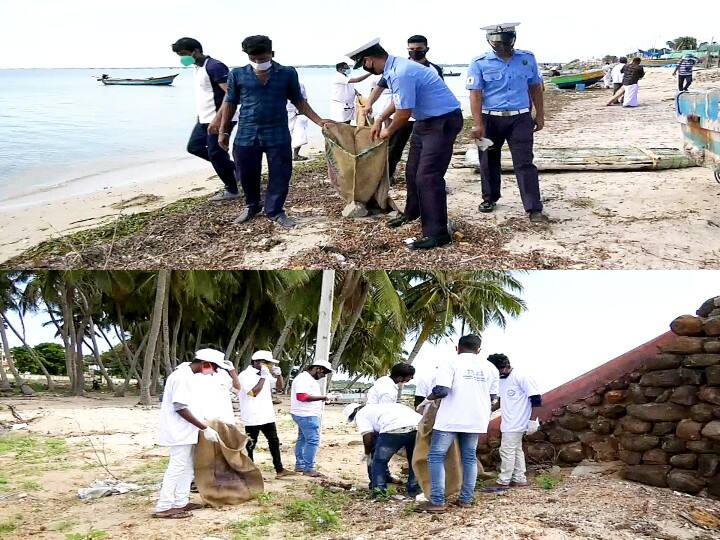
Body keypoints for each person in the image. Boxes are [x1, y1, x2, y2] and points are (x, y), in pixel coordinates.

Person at [347, 38, 463, 250]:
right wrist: (381, 118)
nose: (365, 68)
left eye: (363, 64)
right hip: (425, 121)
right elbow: (400, 100)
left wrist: (387, 133)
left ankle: (437, 234)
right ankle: (412, 212)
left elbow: (404, 112)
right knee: (412, 171)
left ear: (369, 60)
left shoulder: (402, 72)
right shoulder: (395, 68)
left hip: (442, 121)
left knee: (428, 176)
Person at [217, 35, 332, 229]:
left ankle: (275, 210)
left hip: (277, 132)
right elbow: (229, 103)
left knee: (280, 173)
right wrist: (223, 131)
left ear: (272, 54)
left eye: (261, 58)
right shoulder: (237, 74)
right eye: (253, 58)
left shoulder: (287, 73)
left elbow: (299, 101)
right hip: (246, 132)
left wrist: (319, 121)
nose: (257, 62)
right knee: (246, 173)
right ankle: (251, 205)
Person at [467, 23, 549, 224]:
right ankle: (489, 198)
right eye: (497, 42)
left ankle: (533, 208)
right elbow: (475, 94)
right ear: (490, 41)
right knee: (487, 159)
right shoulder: (479, 62)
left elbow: (535, 87)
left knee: (525, 162)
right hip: (489, 119)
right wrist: (477, 124)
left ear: (513, 38)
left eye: (505, 41)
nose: (502, 46)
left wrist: (540, 115)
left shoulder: (527, 59)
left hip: (520, 119)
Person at [414, 334, 499, 513]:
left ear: (457, 348)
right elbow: (493, 397)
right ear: (479, 350)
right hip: (476, 419)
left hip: (450, 419)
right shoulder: (490, 367)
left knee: (436, 456)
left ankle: (437, 501)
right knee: (469, 458)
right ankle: (466, 499)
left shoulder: (450, 363)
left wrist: (427, 401)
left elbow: (442, 390)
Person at [154, 351, 228, 519]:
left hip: (187, 430)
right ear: (205, 363)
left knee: (187, 467)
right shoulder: (182, 377)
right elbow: (180, 407)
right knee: (176, 467)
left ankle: (180, 502)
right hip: (179, 431)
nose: (215, 371)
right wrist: (204, 428)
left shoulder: (188, 376)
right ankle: (164, 506)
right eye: (214, 367)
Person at [365, 35, 446, 181]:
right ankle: (385, 178)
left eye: (419, 49)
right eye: (411, 49)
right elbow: (381, 89)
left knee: (429, 153)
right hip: (403, 116)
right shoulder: (397, 69)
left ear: (426, 49)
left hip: (426, 118)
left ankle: (428, 180)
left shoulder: (434, 69)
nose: (415, 52)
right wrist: (370, 105)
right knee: (394, 148)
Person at [171, 38, 240, 203]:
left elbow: (230, 95)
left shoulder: (214, 66)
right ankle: (235, 170)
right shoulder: (198, 67)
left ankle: (232, 189)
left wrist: (218, 119)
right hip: (204, 118)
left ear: (195, 51)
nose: (182, 58)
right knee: (194, 147)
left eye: (183, 54)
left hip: (220, 118)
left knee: (216, 154)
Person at [237, 350, 296, 478]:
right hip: (252, 416)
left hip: (267, 415)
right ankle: (251, 472)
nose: (270, 366)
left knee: (274, 441)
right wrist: (263, 376)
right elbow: (253, 393)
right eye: (268, 363)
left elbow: (280, 387)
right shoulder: (245, 375)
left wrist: (279, 375)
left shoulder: (266, 374)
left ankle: (279, 469)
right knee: (251, 444)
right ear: (257, 362)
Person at [487, 353, 542, 487]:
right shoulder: (502, 380)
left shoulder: (522, 377)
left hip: (518, 421)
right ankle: (519, 478)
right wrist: (488, 411)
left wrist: (533, 421)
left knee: (506, 450)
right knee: (516, 450)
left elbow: (536, 399)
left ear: (506, 366)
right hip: (509, 420)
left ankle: (504, 480)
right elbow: (501, 400)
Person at [344, 402, 422, 497]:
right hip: (418, 426)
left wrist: (367, 453)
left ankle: (379, 491)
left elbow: (367, 436)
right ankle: (414, 489)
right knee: (414, 459)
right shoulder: (379, 407)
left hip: (394, 428)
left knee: (379, 461)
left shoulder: (361, 414)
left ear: (353, 414)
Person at [289, 359, 333, 477]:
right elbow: (302, 397)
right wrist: (323, 397)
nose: (324, 376)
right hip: (306, 415)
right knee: (313, 440)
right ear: (317, 369)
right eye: (324, 373)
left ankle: (300, 465)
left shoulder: (305, 378)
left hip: (303, 414)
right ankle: (309, 468)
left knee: (302, 439)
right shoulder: (304, 379)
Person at [191, 348, 239, 425]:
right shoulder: (193, 376)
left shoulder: (222, 373)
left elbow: (236, 389)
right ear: (205, 363)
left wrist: (232, 370)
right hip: (205, 421)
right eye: (215, 366)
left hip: (225, 419)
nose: (217, 369)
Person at [288, 82, 309, 161]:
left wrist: (302, 111)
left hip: (297, 112)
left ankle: (295, 154)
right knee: (286, 134)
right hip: (284, 112)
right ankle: (287, 154)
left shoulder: (300, 85)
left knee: (300, 133)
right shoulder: (280, 83)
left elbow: (305, 99)